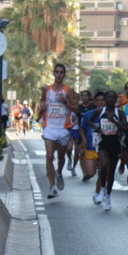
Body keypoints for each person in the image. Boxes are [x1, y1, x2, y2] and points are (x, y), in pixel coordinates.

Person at [38, 63, 77, 199]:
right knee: (49, 156)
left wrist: (65, 102)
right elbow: (42, 105)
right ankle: (52, 187)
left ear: (64, 75)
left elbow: (76, 109)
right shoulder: (46, 89)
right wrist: (41, 110)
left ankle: (59, 172)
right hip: (50, 128)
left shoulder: (69, 90)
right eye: (57, 72)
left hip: (63, 128)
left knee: (61, 157)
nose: (59, 74)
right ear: (53, 73)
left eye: (61, 72)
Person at [88, 90, 127, 211]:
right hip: (103, 142)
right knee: (103, 165)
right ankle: (102, 190)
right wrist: (96, 128)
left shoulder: (119, 113)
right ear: (105, 99)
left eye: (112, 98)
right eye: (108, 97)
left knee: (111, 173)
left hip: (115, 143)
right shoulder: (100, 111)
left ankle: (108, 196)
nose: (110, 100)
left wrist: (114, 121)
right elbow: (89, 121)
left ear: (115, 99)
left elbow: (126, 129)